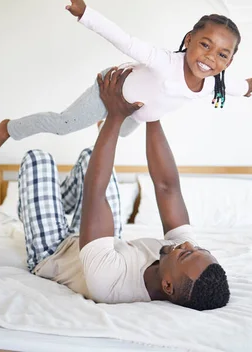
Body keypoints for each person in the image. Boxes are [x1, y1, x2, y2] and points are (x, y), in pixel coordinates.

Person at [18, 68, 230, 310]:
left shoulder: (111, 283)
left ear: (168, 286)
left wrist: (115, 116)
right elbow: (166, 187)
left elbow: (95, 193)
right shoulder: (184, 258)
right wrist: (154, 112)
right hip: (99, 240)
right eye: (197, 247)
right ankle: (56, 203)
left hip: (54, 251)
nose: (188, 245)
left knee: (39, 160)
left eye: (186, 252)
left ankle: (35, 206)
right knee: (90, 158)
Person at [0, 0, 252, 156]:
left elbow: (235, 87)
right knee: (64, 125)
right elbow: (124, 40)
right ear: (189, 40)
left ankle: (104, 121)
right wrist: (85, 14)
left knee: (122, 132)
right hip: (112, 89)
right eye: (205, 45)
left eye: (222, 54)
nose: (210, 58)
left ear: (229, 62)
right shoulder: (164, 61)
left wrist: (247, 87)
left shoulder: (215, 84)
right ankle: (10, 128)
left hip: (137, 111)